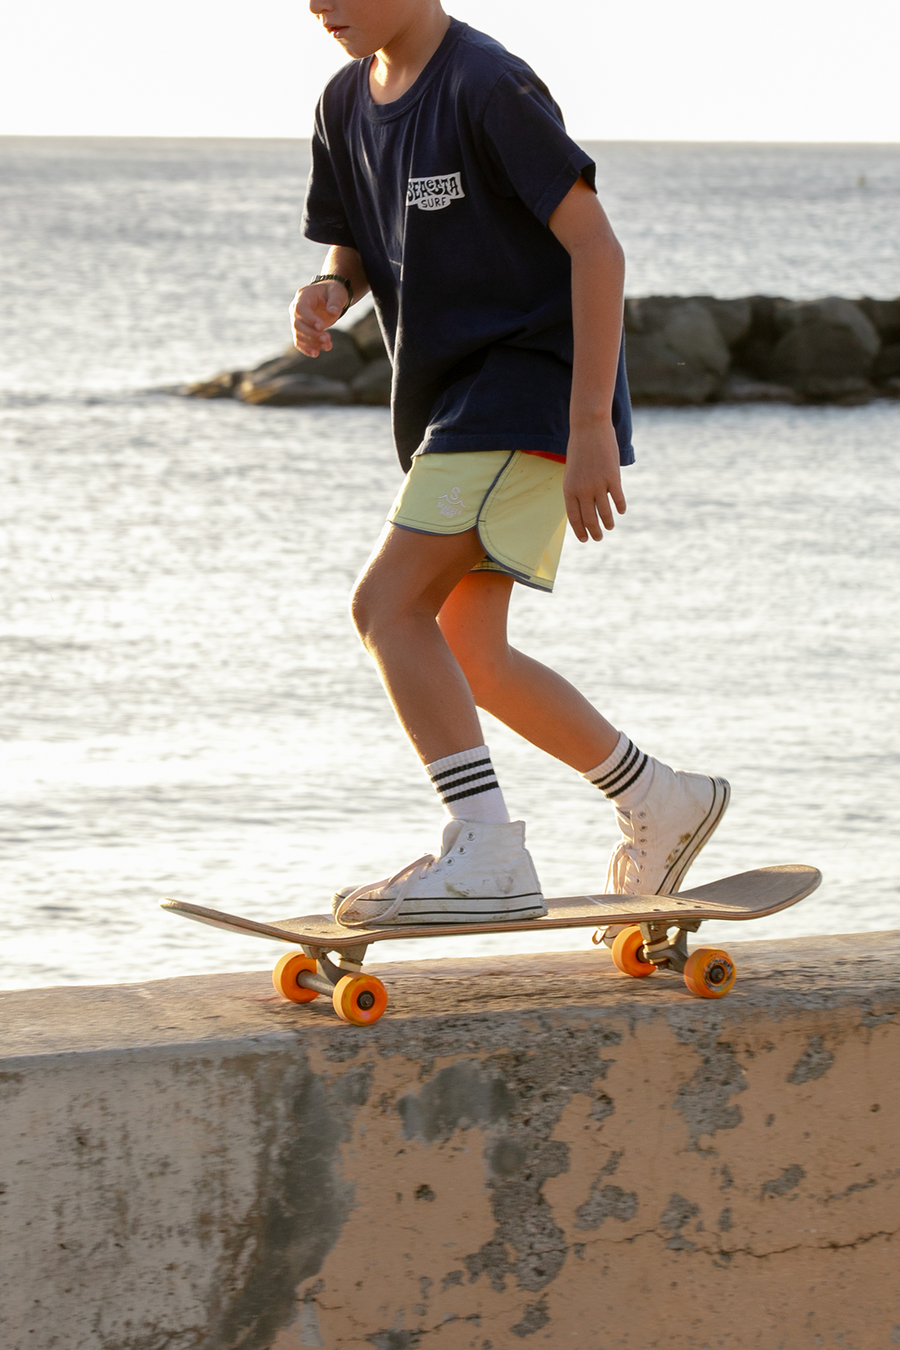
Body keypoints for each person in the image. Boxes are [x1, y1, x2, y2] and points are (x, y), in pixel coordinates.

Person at [290, 0, 729, 928]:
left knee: (385, 606)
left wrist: (591, 428)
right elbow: (362, 243)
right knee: (468, 650)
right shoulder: (341, 101)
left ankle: (487, 845)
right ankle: (659, 799)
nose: (319, 3)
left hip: (524, 393)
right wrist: (334, 288)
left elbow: (597, 248)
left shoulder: (488, 84)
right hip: (451, 406)